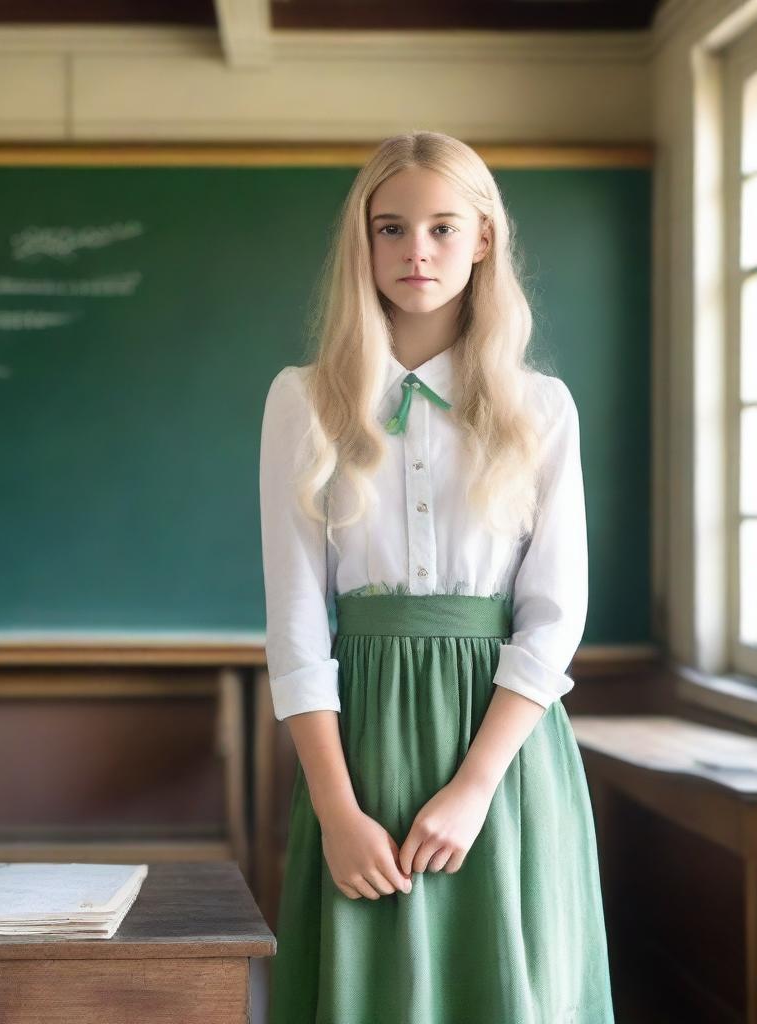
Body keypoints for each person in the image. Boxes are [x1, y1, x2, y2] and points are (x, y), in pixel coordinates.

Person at [260, 130, 615, 1023]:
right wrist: (339, 812)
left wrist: (473, 789)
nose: (417, 250)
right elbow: (297, 624)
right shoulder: (302, 400)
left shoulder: (542, 408)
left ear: (484, 238)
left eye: (443, 227)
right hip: (363, 746)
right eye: (391, 228)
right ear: (364, 243)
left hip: (502, 752)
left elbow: (555, 614)